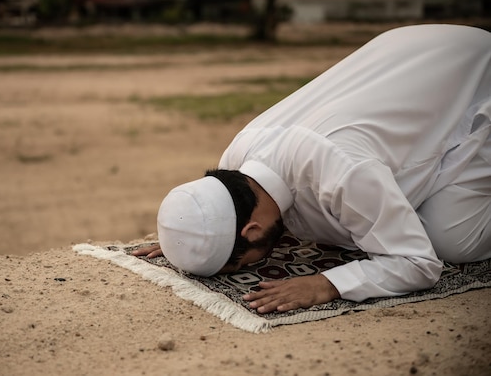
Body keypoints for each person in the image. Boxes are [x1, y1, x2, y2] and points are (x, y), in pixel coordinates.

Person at [133, 24, 491, 314]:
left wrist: (326, 284)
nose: (248, 269)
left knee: (451, 241)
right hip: (411, 49)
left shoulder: (341, 170)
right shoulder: (237, 161)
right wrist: (193, 237)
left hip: (475, 77)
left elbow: (418, 263)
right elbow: (210, 212)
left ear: (252, 228)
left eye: (241, 265)